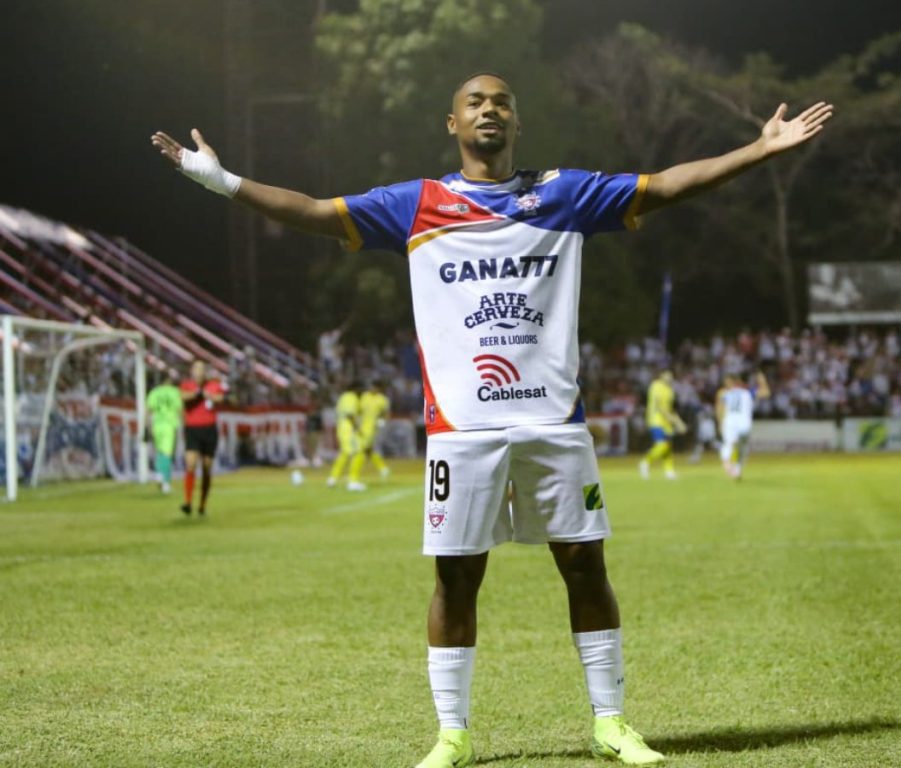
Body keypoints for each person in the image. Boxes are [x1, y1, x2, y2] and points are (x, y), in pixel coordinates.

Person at [152, 72, 831, 766]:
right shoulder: (416, 205)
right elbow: (316, 213)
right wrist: (222, 181)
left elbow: (664, 186)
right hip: (461, 431)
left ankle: (611, 723)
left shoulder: (564, 195)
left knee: (585, 566)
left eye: (502, 101)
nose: (489, 110)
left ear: (516, 121)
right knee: (454, 578)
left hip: (554, 423)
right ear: (452, 123)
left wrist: (757, 150)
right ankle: (453, 733)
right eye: (475, 102)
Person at [179, 359, 226, 515]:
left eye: (202, 369)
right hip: (192, 429)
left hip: (209, 430)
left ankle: (202, 505)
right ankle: (187, 502)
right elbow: (183, 396)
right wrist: (197, 393)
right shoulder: (187, 385)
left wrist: (208, 396)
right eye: (197, 369)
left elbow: (221, 398)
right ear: (192, 371)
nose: (199, 372)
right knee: (190, 464)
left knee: (206, 467)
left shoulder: (213, 385)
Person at [716, 372, 771, 480]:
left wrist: (720, 422)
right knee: (741, 446)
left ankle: (727, 463)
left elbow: (719, 408)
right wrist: (762, 380)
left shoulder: (725, 393)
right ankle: (736, 469)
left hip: (730, 422)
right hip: (743, 423)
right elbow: (766, 393)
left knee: (729, 444)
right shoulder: (748, 392)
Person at [639, 369, 686, 479]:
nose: (669, 377)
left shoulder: (670, 390)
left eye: (671, 375)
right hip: (656, 420)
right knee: (662, 445)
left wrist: (679, 422)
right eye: (667, 375)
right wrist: (674, 421)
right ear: (661, 375)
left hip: (667, 422)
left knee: (668, 447)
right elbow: (659, 406)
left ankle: (669, 471)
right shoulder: (656, 386)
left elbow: (670, 409)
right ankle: (645, 461)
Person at [145, 369, 183, 494]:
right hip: (169, 425)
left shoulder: (154, 392)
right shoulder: (174, 392)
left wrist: (147, 427)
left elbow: (148, 411)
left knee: (160, 452)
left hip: (157, 425)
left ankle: (159, 475)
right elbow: (179, 409)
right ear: (168, 380)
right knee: (167, 454)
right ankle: (164, 481)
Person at [327, 380, 366, 491]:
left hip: (342, 428)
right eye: (361, 389)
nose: (362, 392)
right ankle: (353, 481)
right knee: (359, 453)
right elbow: (350, 414)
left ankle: (332, 478)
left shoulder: (343, 397)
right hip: (349, 430)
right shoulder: (351, 397)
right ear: (356, 388)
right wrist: (357, 428)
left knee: (345, 453)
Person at [356, 379, 391, 481]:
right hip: (361, 426)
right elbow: (358, 410)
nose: (372, 389)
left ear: (379, 388)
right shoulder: (364, 396)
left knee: (362, 450)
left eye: (374, 387)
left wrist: (383, 422)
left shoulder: (382, 399)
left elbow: (386, 413)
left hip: (372, 428)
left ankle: (354, 476)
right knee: (368, 450)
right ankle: (383, 468)